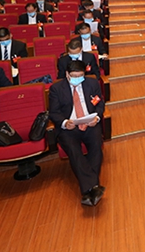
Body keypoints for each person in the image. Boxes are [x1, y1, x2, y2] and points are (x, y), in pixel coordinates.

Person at [48, 60, 105, 206]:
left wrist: (97, 118)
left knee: (96, 145)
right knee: (74, 151)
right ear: (67, 74)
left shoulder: (92, 83)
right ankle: (93, 187)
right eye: (74, 76)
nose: (77, 79)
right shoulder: (56, 89)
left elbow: (100, 104)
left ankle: (88, 189)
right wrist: (65, 122)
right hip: (69, 127)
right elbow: (54, 113)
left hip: (89, 123)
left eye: (80, 76)